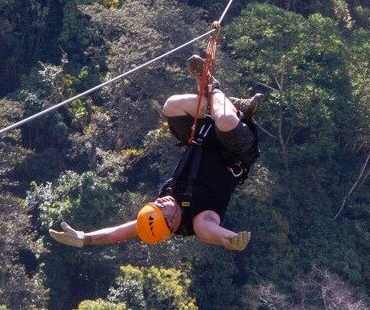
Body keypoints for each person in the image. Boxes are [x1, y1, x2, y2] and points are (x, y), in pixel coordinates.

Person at [49, 55, 262, 252]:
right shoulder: (199, 222)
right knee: (225, 120)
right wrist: (232, 240)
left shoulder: (161, 208)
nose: (158, 201)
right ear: (171, 222)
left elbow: (120, 232)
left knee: (172, 107)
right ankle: (214, 90)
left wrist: (85, 238)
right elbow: (213, 234)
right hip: (235, 148)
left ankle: (227, 104)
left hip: (204, 134)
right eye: (160, 207)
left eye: (154, 204)